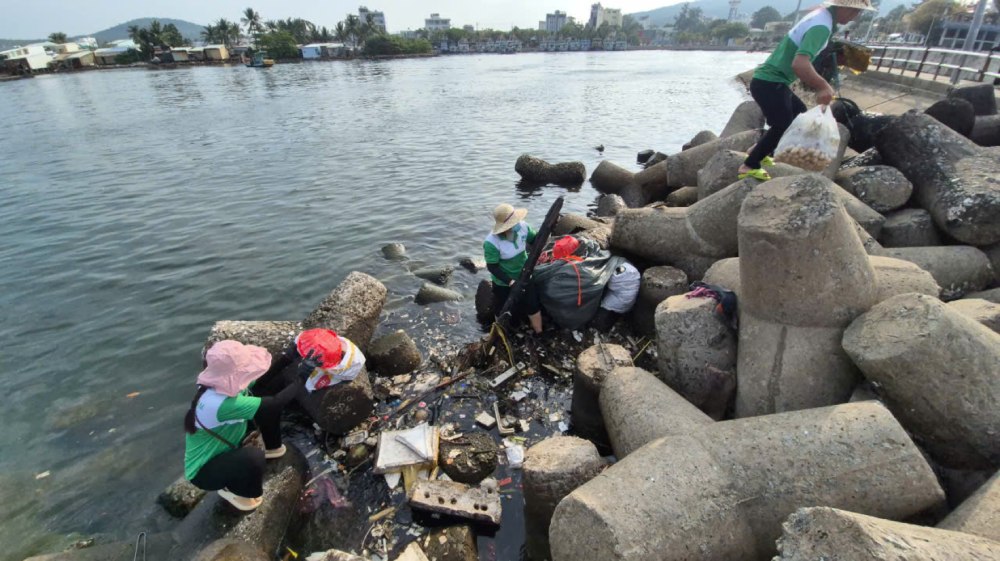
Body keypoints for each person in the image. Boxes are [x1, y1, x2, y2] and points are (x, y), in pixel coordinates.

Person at [737, 0, 875, 181]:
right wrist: (823, 86)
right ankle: (749, 165)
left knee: (799, 113)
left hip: (772, 80)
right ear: (845, 8)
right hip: (771, 82)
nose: (856, 16)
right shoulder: (822, 26)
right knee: (782, 124)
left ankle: (758, 150)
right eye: (856, 12)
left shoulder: (820, 18)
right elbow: (800, 64)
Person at [183, 340, 318, 511]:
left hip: (226, 443)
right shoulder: (218, 403)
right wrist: (301, 379)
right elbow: (275, 403)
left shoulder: (222, 384)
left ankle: (272, 447)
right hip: (203, 472)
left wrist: (288, 357)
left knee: (264, 400)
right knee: (253, 457)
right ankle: (237, 492)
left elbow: (261, 382)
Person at [484, 203, 543, 334]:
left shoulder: (523, 227)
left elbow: (535, 240)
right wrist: (510, 282)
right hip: (503, 282)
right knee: (501, 310)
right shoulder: (491, 242)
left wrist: (546, 232)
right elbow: (492, 267)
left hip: (525, 273)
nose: (516, 225)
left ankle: (539, 332)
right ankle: (501, 334)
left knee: (532, 305)